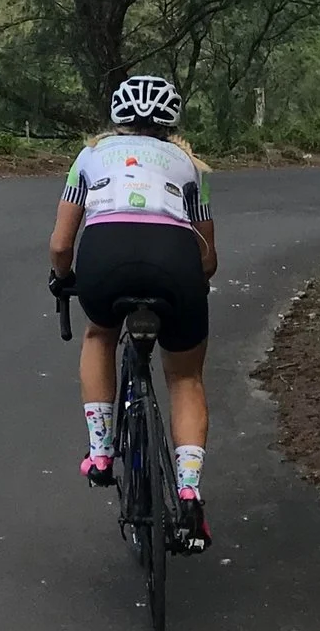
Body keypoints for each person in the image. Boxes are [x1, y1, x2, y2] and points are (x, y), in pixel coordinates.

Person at [47, 74, 217, 550]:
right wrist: (190, 289)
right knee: (185, 378)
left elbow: (61, 244)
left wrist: (63, 278)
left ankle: (101, 452)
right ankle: (188, 490)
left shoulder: (89, 157)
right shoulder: (190, 166)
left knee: (100, 334)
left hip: (105, 259)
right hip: (176, 263)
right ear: (170, 122)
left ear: (118, 119)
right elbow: (208, 257)